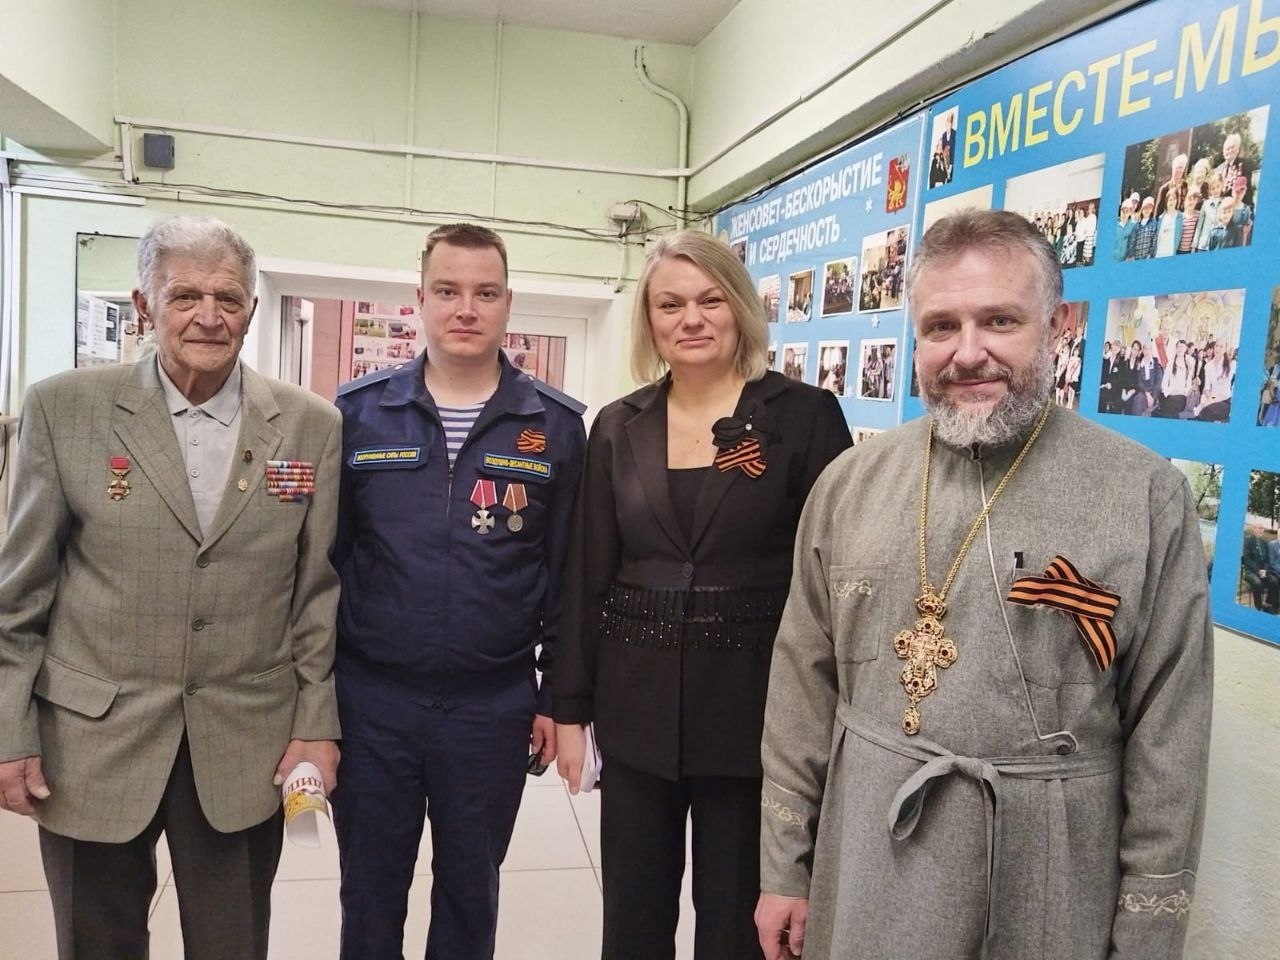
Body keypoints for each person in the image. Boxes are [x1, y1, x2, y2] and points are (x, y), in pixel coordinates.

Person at [756, 209, 1212, 960]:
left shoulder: (1143, 495)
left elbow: (1170, 739)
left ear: (1055, 325)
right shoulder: (849, 485)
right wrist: (784, 867)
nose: (968, 354)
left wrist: (1148, 935)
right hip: (870, 854)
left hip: (1050, 874)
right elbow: (801, 688)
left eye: (1000, 320)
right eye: (941, 327)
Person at [0, 216, 342, 959]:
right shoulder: (65, 410)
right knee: (96, 944)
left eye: (229, 298)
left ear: (251, 310)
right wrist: (9, 732)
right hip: (91, 741)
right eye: (185, 296)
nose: (209, 316)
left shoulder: (310, 426)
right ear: (143, 304)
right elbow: (18, 597)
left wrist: (316, 724)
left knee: (232, 945)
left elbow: (316, 595)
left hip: (243, 740)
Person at [553, 230, 851, 960]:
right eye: (670, 304)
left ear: (740, 308)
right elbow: (587, 572)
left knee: (739, 928)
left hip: (755, 719)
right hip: (636, 715)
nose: (691, 318)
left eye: (710, 300)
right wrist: (568, 708)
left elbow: (836, 576)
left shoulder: (804, 417)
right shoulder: (618, 426)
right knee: (633, 922)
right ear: (649, 320)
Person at [331, 223, 587, 959]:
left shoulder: (556, 427)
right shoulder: (358, 414)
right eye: (447, 291)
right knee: (369, 895)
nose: (465, 308)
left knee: (471, 896)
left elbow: (568, 577)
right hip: (372, 703)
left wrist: (554, 698)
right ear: (420, 299)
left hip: (490, 707)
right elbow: (324, 567)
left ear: (509, 303)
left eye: (485, 292)